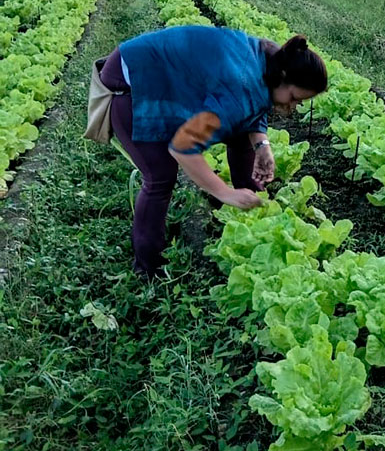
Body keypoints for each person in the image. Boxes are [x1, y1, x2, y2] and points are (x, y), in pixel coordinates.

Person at [97, 26, 328, 276]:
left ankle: (249, 204)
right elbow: (183, 148)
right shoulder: (239, 88)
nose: (292, 107)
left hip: (162, 69)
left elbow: (256, 102)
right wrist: (223, 191)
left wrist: (262, 145)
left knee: (240, 136)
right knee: (160, 175)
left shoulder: (271, 59)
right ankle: (147, 267)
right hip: (131, 78)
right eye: (294, 97)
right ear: (282, 75)